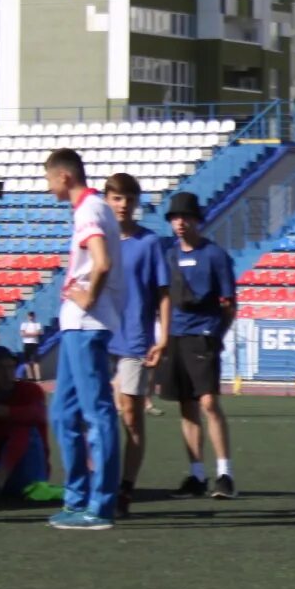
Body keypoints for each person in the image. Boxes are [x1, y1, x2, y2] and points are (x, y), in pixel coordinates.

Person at [44, 148, 128, 529]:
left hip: (87, 323)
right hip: (76, 323)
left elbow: (103, 260)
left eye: (48, 180)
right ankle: (76, 497)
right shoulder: (90, 209)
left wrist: (89, 295)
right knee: (62, 413)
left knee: (96, 413)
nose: (48, 189)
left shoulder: (90, 209)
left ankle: (100, 504)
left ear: (64, 177)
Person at [159, 191, 238, 498]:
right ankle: (196, 474)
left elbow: (229, 303)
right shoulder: (169, 255)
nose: (179, 223)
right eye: (175, 218)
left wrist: (216, 334)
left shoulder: (215, 255)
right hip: (175, 336)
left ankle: (225, 474)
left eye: (185, 217)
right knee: (186, 406)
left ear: (197, 220)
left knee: (208, 403)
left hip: (202, 335)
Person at [103, 173, 170, 517]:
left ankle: (126, 487)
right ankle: (99, 483)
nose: (123, 204)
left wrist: (164, 336)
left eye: (129, 198)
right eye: (117, 198)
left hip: (134, 340)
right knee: (98, 416)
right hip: (98, 337)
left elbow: (163, 293)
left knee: (131, 415)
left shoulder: (150, 243)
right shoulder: (99, 240)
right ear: (107, 201)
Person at [0, 345, 62, 504]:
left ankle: (1, 476)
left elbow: (35, 415)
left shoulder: (29, 390)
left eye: (10, 367)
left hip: (30, 470)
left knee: (24, 426)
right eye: (0, 368)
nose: (6, 373)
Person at [19, 312, 43, 382]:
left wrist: (28, 334)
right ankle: (30, 378)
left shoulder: (37, 324)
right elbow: (22, 334)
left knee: (36, 361)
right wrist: (33, 334)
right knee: (27, 361)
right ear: (28, 317)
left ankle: (38, 378)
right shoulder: (24, 324)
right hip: (27, 343)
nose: (31, 317)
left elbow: (39, 332)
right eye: (30, 316)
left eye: (32, 316)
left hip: (34, 344)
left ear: (34, 317)